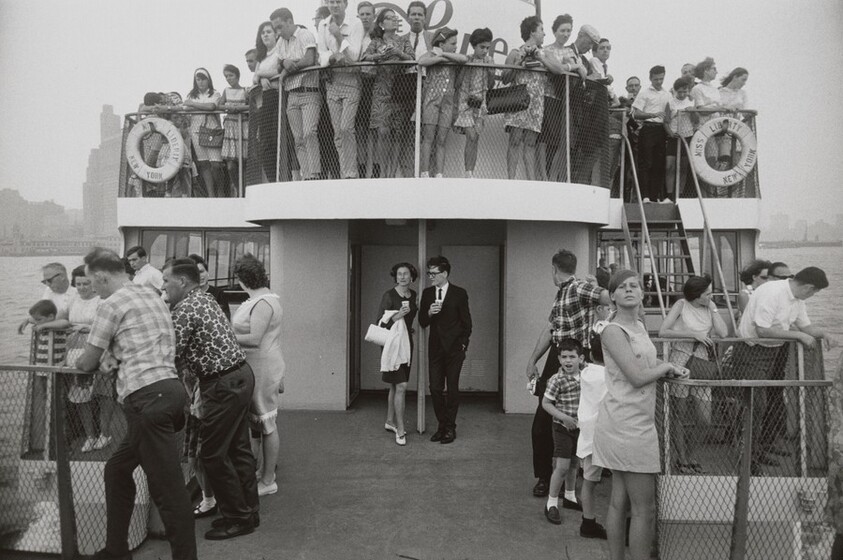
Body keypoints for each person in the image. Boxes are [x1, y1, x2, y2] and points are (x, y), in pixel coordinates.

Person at [74, 248, 196, 560]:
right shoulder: (151, 295)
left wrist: (76, 361)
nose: (93, 289)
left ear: (102, 277)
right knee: (117, 470)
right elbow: (140, 343)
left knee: (169, 492)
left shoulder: (111, 304)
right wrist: (112, 356)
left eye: (92, 282)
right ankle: (116, 550)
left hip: (146, 400)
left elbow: (87, 362)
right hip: (169, 391)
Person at [592, 269, 687, 560]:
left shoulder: (639, 326)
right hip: (626, 424)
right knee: (644, 509)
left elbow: (645, 360)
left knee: (620, 501)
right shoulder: (612, 330)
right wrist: (667, 366)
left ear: (642, 293)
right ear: (612, 296)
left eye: (634, 285)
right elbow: (635, 376)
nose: (629, 290)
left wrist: (667, 367)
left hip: (633, 420)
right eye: (622, 287)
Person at [163, 258, 258, 540]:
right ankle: (248, 511)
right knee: (238, 449)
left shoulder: (185, 309)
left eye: (166, 281)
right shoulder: (205, 298)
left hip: (221, 385)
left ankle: (238, 518)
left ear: (182, 281)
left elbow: (171, 353)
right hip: (240, 376)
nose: (163, 287)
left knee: (213, 454)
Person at [526, 249, 611, 498]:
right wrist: (533, 360)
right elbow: (550, 329)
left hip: (576, 355)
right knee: (545, 420)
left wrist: (601, 293)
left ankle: (570, 476)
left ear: (554, 269)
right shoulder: (562, 293)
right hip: (558, 354)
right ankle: (547, 477)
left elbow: (607, 296)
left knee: (578, 417)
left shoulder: (578, 288)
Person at [735, 267, 838, 471]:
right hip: (750, 351)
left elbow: (806, 327)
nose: (813, 296)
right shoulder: (772, 292)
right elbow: (762, 330)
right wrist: (798, 336)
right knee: (755, 405)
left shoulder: (797, 300)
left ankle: (756, 452)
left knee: (768, 403)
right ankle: (746, 462)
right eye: (815, 292)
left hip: (772, 352)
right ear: (808, 288)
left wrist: (824, 334)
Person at [658, 275, 728, 474]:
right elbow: (664, 331)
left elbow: (723, 333)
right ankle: (682, 459)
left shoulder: (709, 308)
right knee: (679, 414)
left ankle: (690, 454)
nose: (710, 296)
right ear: (697, 295)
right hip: (680, 360)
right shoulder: (681, 305)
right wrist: (692, 334)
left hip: (702, 363)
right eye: (707, 294)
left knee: (705, 418)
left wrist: (713, 308)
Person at [231, 255, 285, 497]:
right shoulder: (264, 299)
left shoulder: (262, 302)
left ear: (243, 279)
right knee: (260, 423)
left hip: (262, 367)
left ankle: (269, 479)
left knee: (266, 423)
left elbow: (254, 339)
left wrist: (223, 334)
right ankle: (263, 471)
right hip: (259, 365)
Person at [418, 256, 472, 444]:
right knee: (435, 388)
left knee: (453, 388)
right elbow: (422, 322)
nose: (431, 277)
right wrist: (429, 313)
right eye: (429, 273)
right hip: (435, 349)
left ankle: (450, 428)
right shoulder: (427, 294)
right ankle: (442, 425)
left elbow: (467, 323)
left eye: (434, 273)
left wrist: (463, 344)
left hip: (455, 349)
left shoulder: (459, 293)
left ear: (445, 273)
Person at [361, 7, 415, 179]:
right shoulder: (376, 42)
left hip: (400, 91)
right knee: (382, 132)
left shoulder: (404, 40)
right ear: (382, 24)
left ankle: (392, 174)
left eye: (395, 17)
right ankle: (383, 172)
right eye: (390, 18)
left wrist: (398, 53)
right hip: (381, 90)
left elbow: (412, 59)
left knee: (397, 133)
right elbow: (365, 57)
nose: (394, 20)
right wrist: (380, 56)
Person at [317, 0, 367, 179]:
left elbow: (354, 55)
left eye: (338, 1)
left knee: (346, 128)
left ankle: (351, 173)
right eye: (331, 1)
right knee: (338, 133)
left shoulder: (356, 23)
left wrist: (338, 36)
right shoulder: (323, 25)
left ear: (345, 4)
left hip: (351, 80)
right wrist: (333, 57)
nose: (334, 5)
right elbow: (321, 55)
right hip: (332, 81)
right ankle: (344, 172)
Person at [272, 8, 322, 181]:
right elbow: (278, 66)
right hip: (292, 94)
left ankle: (315, 173)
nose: (278, 32)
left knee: (309, 133)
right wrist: (284, 62)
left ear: (289, 21)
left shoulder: (305, 34)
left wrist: (288, 68)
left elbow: (309, 59)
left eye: (280, 27)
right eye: (275, 28)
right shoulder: (280, 42)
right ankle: (306, 175)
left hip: (309, 91)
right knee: (298, 138)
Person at [541, 338, 585, 526]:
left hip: (579, 427)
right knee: (562, 466)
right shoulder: (556, 380)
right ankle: (551, 503)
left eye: (572, 357)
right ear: (558, 359)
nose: (568, 361)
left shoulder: (586, 375)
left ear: (581, 358)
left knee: (574, 463)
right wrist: (564, 418)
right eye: (564, 357)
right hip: (562, 428)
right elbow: (546, 403)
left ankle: (569, 495)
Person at [377, 262, 419, 446]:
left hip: (406, 344)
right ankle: (400, 430)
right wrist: (398, 315)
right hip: (392, 346)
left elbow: (412, 320)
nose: (402, 277)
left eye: (406, 274)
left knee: (395, 386)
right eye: (399, 274)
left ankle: (389, 421)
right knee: (401, 385)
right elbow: (380, 322)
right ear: (396, 277)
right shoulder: (389, 295)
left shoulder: (414, 295)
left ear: (411, 277)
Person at [418, 27, 467, 178]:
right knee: (428, 138)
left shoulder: (453, 57)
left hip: (447, 104)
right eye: (452, 44)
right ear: (441, 44)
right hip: (431, 102)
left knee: (442, 139)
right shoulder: (431, 54)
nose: (455, 47)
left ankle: (439, 173)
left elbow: (464, 59)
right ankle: (425, 172)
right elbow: (421, 61)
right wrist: (438, 58)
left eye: (456, 43)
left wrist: (444, 54)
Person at [502, 16, 547, 180]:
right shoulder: (515, 52)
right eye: (541, 29)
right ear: (532, 32)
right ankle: (511, 180)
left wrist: (540, 58)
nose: (544, 34)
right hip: (518, 101)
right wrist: (520, 60)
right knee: (515, 140)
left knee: (530, 143)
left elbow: (556, 70)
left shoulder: (544, 54)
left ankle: (531, 181)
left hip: (536, 103)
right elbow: (505, 78)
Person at [575, 327, 609, 539]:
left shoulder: (586, 373)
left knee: (589, 482)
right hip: (607, 434)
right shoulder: (610, 376)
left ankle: (588, 522)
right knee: (621, 481)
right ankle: (625, 524)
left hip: (587, 434)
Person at [536, 14, 576, 182]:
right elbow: (558, 69)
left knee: (561, 141)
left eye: (568, 31)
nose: (566, 34)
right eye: (562, 30)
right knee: (544, 139)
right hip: (547, 96)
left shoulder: (570, 51)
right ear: (554, 31)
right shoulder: (546, 50)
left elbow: (580, 69)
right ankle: (542, 176)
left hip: (563, 99)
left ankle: (553, 177)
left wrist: (568, 65)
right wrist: (569, 65)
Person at [452, 27, 494, 179]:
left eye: (487, 48)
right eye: (482, 47)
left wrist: (490, 70)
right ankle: (468, 172)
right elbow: (457, 84)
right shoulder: (467, 59)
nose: (485, 51)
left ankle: (471, 172)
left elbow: (491, 85)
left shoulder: (489, 61)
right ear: (474, 46)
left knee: (475, 138)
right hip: (465, 102)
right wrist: (465, 67)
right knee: (470, 135)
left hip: (480, 104)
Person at [184, 68, 226, 197]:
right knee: (204, 164)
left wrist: (193, 105)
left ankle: (221, 191)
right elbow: (185, 107)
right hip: (196, 132)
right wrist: (198, 105)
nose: (201, 82)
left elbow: (212, 106)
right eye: (198, 79)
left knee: (216, 164)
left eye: (203, 79)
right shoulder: (191, 95)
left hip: (212, 131)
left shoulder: (215, 93)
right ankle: (211, 194)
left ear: (208, 80)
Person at [632, 65, 670, 203]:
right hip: (648, 129)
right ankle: (645, 196)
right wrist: (652, 114)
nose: (659, 82)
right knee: (646, 163)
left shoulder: (667, 94)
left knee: (659, 164)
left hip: (661, 130)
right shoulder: (644, 93)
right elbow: (636, 114)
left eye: (661, 79)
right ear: (650, 78)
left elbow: (671, 112)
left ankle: (655, 197)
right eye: (656, 79)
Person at [18, 263, 77, 334]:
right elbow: (42, 314)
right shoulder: (48, 291)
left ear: (62, 277)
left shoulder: (76, 294)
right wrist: (28, 320)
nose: (47, 284)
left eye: (49, 280)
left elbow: (63, 320)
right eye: (44, 281)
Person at [664, 76, 695, 202]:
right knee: (669, 166)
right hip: (674, 137)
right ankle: (669, 195)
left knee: (683, 167)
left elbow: (696, 120)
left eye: (685, 91)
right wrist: (671, 133)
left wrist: (693, 111)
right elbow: (666, 122)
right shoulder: (670, 103)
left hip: (687, 136)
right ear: (675, 90)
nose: (682, 94)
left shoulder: (692, 101)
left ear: (688, 90)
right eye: (679, 92)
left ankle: (680, 196)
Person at [219, 64, 249, 195]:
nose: (228, 78)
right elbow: (219, 105)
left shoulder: (245, 90)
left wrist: (239, 108)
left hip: (243, 126)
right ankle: (237, 188)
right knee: (231, 166)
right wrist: (228, 107)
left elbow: (251, 105)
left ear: (237, 76)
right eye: (226, 76)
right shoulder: (226, 91)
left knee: (244, 162)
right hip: (230, 127)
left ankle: (244, 191)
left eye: (230, 75)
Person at [355, 1, 376, 178]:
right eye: (362, 14)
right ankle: (361, 169)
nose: (365, 17)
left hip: (375, 85)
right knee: (360, 129)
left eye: (368, 14)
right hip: (357, 84)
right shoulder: (354, 35)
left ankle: (376, 169)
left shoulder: (379, 36)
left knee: (374, 129)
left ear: (374, 16)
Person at [188, 253, 231, 319]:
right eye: (195, 273)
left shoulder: (219, 294)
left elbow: (226, 319)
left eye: (201, 272)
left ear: (207, 272)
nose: (199, 276)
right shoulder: (186, 295)